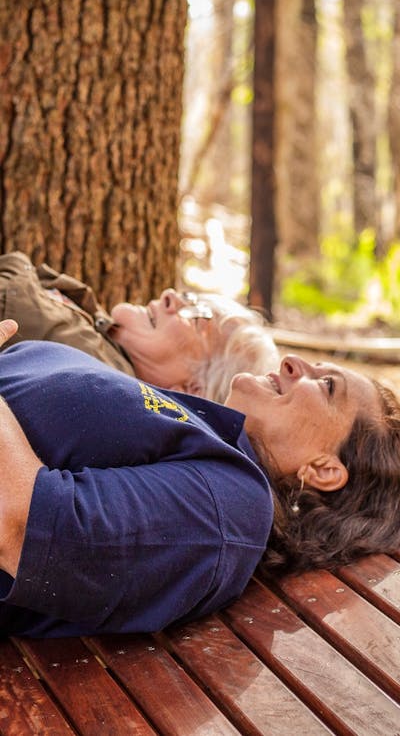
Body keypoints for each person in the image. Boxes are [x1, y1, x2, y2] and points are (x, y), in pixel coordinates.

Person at [0, 318, 398, 639]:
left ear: (323, 469)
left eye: (327, 386)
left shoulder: (230, 509)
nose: (291, 361)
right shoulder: (213, 440)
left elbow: (18, 525)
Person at [0, 251, 279, 401]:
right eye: (188, 297)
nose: (171, 295)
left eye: (197, 316)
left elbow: (12, 291)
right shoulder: (101, 341)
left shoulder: (96, 373)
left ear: (192, 389)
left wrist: (20, 264)